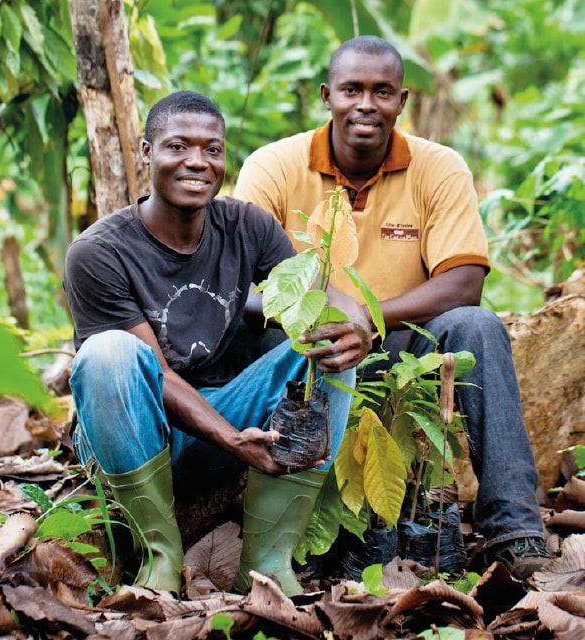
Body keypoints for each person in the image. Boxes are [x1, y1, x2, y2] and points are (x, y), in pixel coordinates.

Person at [234, 36, 551, 580]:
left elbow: (464, 281)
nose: (366, 104)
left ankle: (516, 532)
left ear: (402, 101)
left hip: (404, 349)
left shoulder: (439, 168)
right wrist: (331, 321)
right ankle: (295, 531)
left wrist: (366, 315)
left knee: (478, 327)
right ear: (325, 95)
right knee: (275, 339)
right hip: (307, 352)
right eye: (352, 89)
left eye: (382, 92)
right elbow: (242, 288)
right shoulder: (274, 167)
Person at [63, 90, 372, 597]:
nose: (197, 162)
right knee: (109, 353)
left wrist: (356, 322)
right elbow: (157, 377)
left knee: (328, 346)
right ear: (146, 152)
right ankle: (160, 558)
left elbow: (321, 291)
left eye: (212, 149)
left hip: (221, 408)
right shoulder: (99, 252)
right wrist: (231, 439)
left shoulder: (247, 225)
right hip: (136, 428)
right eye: (178, 146)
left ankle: (270, 561)